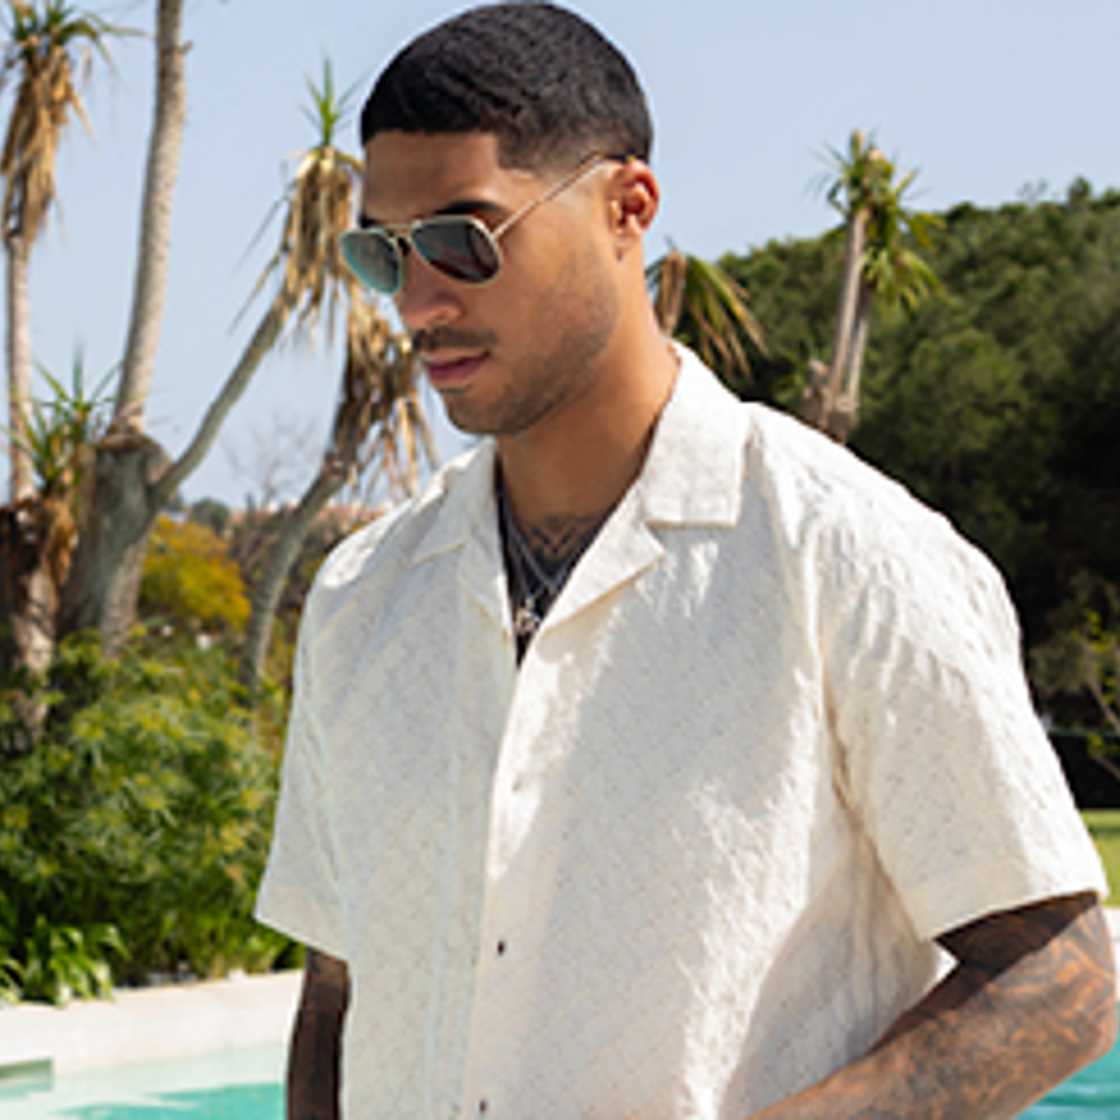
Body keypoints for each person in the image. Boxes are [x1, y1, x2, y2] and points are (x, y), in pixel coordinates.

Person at [255, 4, 1116, 1117]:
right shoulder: (361, 597)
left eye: (465, 238)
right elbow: (338, 993)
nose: (419, 302)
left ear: (627, 208)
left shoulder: (845, 552)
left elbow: (1060, 980)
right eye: (385, 252)